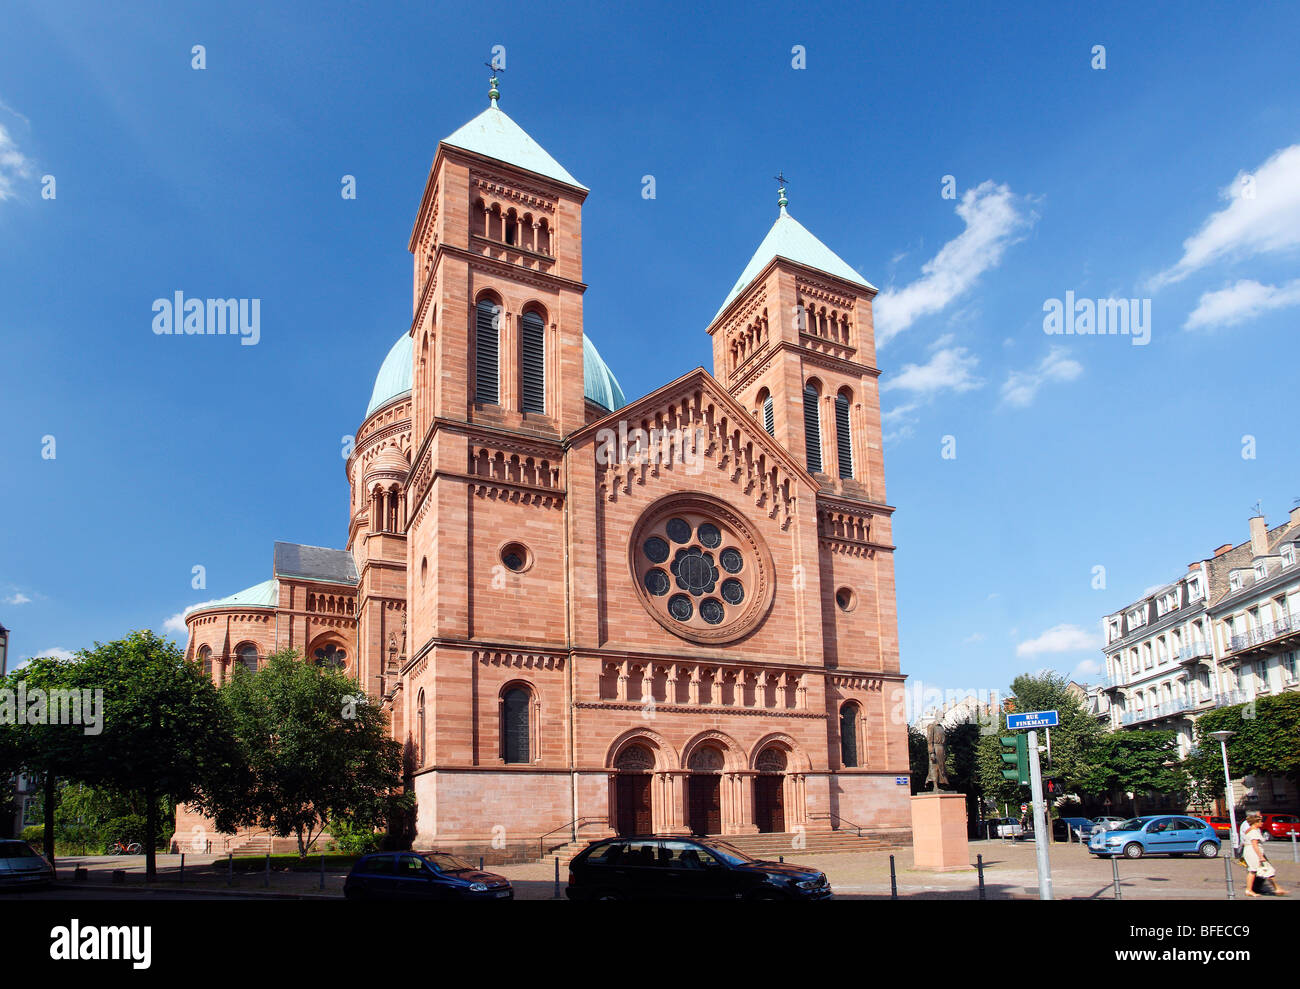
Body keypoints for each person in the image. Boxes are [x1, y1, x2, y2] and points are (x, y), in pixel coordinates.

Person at [1241, 812, 1288, 897]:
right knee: (1253, 871)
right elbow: (1254, 845)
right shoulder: (1254, 831)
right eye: (1260, 822)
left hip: (1251, 851)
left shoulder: (1250, 830)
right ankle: (1249, 890)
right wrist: (1260, 856)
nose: (1262, 823)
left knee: (1264, 870)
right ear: (1256, 823)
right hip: (1253, 852)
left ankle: (1277, 888)